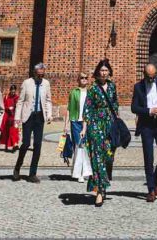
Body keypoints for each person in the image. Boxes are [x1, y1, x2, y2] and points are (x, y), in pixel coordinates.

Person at [131, 62, 157, 202]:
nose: (151, 79)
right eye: (148, 76)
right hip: (147, 126)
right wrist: (149, 111)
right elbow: (134, 107)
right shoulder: (138, 87)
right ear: (144, 74)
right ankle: (150, 190)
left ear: (156, 73)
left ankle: (155, 182)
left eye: (153, 76)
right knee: (148, 159)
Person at [80, 58, 118, 207]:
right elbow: (87, 109)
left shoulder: (113, 87)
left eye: (106, 70)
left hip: (109, 124)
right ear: (98, 72)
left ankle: (103, 182)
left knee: (108, 157)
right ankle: (100, 192)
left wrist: (117, 123)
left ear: (109, 72)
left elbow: (115, 105)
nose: (103, 73)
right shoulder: (93, 89)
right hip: (96, 125)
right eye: (101, 70)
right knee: (98, 157)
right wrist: (84, 128)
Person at [13, 62, 53, 183]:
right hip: (28, 116)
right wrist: (17, 118)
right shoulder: (27, 83)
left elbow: (48, 100)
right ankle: (17, 168)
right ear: (34, 73)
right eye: (39, 75)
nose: (41, 77)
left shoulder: (46, 84)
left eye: (42, 75)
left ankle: (32, 173)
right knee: (25, 143)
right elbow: (20, 101)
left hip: (39, 116)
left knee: (38, 145)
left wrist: (49, 114)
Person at [64, 73, 91, 182]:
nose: (84, 79)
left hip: (87, 122)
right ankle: (80, 173)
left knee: (84, 146)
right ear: (78, 80)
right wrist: (65, 124)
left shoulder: (91, 92)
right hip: (75, 121)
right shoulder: (74, 92)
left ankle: (83, 170)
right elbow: (69, 108)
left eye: (86, 78)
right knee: (79, 145)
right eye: (82, 78)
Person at [0, 84, 20, 153]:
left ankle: (14, 145)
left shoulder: (17, 97)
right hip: (7, 116)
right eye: (12, 91)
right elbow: (3, 106)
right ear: (10, 90)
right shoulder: (6, 97)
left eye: (14, 92)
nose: (13, 93)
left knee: (14, 131)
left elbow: (19, 106)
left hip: (15, 116)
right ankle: (7, 145)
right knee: (6, 131)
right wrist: (8, 108)